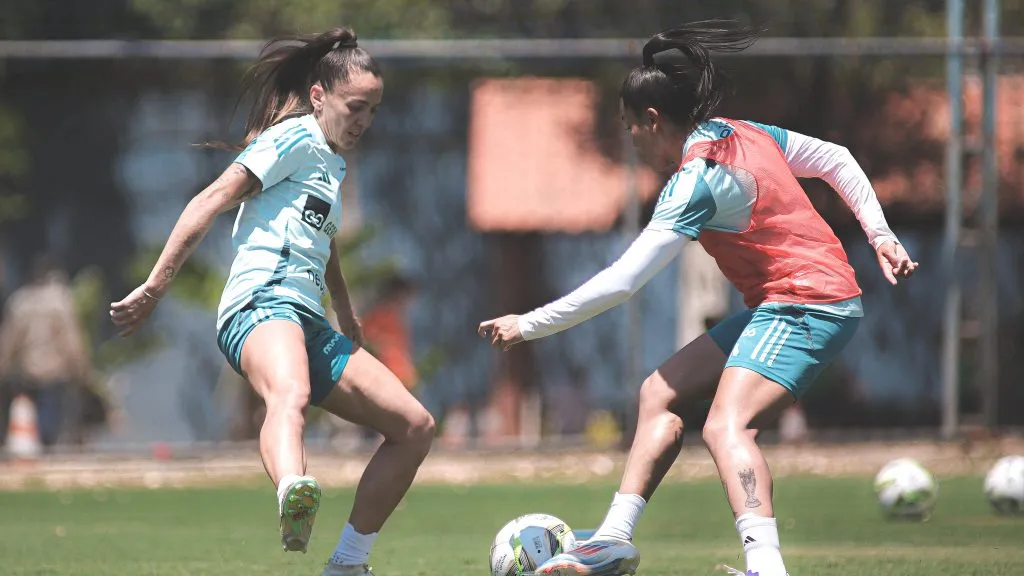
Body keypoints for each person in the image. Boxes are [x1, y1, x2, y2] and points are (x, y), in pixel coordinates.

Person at [478, 20, 917, 576]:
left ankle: (767, 567)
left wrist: (528, 325)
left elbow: (622, 282)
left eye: (628, 126)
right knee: (658, 392)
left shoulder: (697, 180)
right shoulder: (739, 132)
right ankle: (613, 538)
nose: (628, 138)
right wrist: (880, 235)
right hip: (786, 303)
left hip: (808, 302)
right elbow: (836, 157)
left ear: (652, 120)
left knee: (725, 426)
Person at [110, 28, 435, 576]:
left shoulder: (332, 163)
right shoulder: (292, 140)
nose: (364, 121)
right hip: (260, 304)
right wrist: (156, 285)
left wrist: (347, 313)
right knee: (291, 391)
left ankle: (348, 564)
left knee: (414, 426)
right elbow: (209, 199)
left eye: (374, 111)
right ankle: (293, 492)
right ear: (317, 96)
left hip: (307, 319)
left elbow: (321, 240)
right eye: (356, 107)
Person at [0, 254, 93, 450]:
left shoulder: (20, 302)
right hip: (55, 372)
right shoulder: (62, 302)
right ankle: (46, 450)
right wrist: (82, 370)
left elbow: (9, 340)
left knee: (29, 416)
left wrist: (4, 366)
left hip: (26, 372)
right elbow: (72, 341)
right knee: (50, 423)